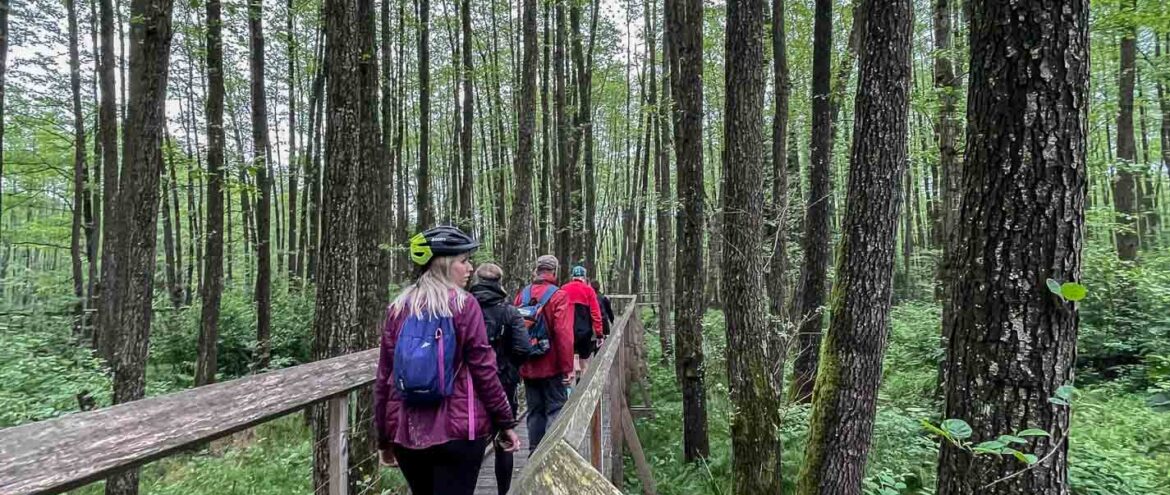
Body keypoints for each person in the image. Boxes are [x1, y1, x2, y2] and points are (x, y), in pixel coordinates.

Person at [374, 226, 520, 495]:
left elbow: (385, 378)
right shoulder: (464, 305)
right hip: (460, 432)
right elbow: (484, 370)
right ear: (443, 264)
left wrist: (384, 437)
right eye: (463, 261)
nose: (469, 268)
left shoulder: (398, 308)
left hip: (408, 433)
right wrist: (505, 422)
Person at [469, 263, 533, 495]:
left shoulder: (464, 308)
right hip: (503, 384)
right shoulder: (509, 312)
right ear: (499, 282)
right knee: (503, 440)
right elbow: (524, 348)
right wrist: (509, 368)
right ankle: (503, 492)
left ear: (476, 279)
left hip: (468, 386)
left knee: (470, 439)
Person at [516, 255, 575, 453]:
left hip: (528, 364)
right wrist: (568, 368)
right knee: (555, 409)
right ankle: (551, 455)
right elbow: (564, 334)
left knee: (534, 412)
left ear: (536, 270)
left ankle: (534, 454)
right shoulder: (559, 296)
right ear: (554, 272)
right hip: (552, 366)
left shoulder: (522, 295)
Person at [562, 265, 604, 377]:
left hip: (568, 330)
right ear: (584, 277)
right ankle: (583, 382)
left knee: (572, 355)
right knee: (585, 361)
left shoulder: (564, 289)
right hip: (585, 331)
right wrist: (599, 334)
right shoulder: (589, 290)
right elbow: (596, 314)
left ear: (573, 277)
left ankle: (572, 380)